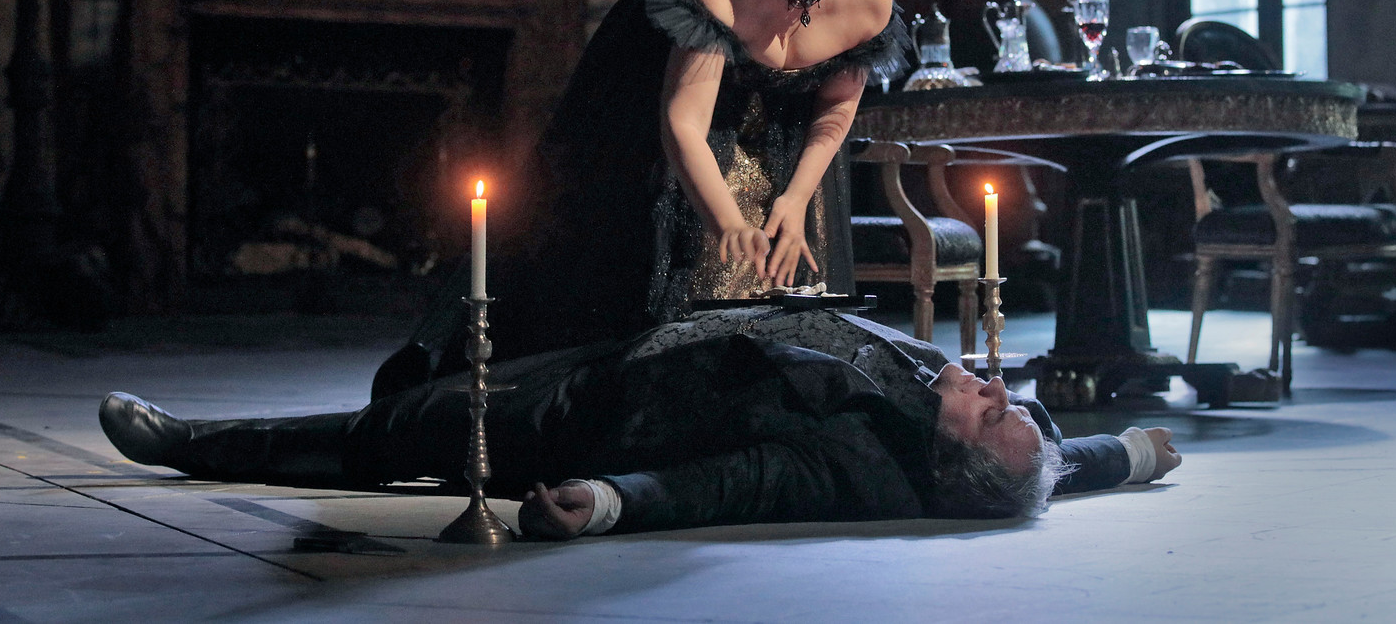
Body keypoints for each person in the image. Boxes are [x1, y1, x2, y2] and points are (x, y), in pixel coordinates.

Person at [387, 0, 908, 386]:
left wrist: (797, 197)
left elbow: (835, 110)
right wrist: (727, 222)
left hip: (779, 125)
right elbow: (682, 120)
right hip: (655, 98)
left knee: (784, 278)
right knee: (628, 264)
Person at [99, 308, 1182, 537]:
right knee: (437, 360)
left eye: (988, 413)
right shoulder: (957, 419)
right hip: (645, 336)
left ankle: (191, 442)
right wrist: (1129, 452)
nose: (994, 388)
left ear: (947, 458)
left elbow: (735, 486)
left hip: (584, 416)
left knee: (388, 435)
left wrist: (610, 502)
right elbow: (1055, 459)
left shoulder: (857, 457)